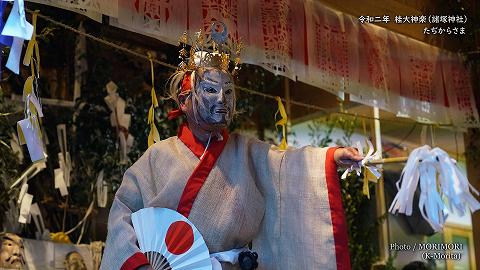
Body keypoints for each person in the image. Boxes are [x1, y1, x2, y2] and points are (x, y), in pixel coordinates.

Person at [100, 26, 363, 270]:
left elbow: (289, 167)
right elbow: (122, 209)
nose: (222, 99)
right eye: (211, 90)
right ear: (184, 101)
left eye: (228, 91)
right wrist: (137, 262)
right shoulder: (158, 157)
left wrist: (331, 157)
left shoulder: (247, 153)